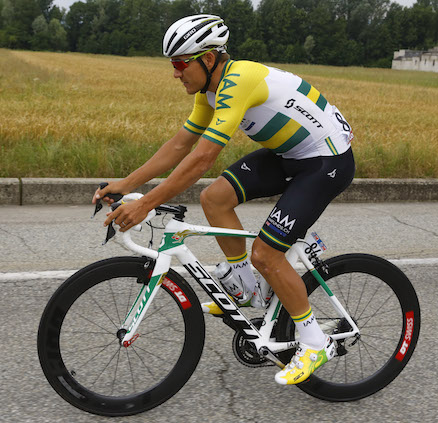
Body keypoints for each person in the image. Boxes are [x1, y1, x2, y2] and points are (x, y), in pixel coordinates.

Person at [95, 14, 355, 385]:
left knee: (267, 254)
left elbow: (202, 158)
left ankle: (314, 343)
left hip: (326, 161)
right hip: (290, 154)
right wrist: (126, 183)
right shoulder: (209, 92)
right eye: (173, 64)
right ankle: (247, 288)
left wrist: (146, 203)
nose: (175, 73)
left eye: (181, 64)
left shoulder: (238, 81)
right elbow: (180, 145)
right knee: (215, 198)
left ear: (209, 59)